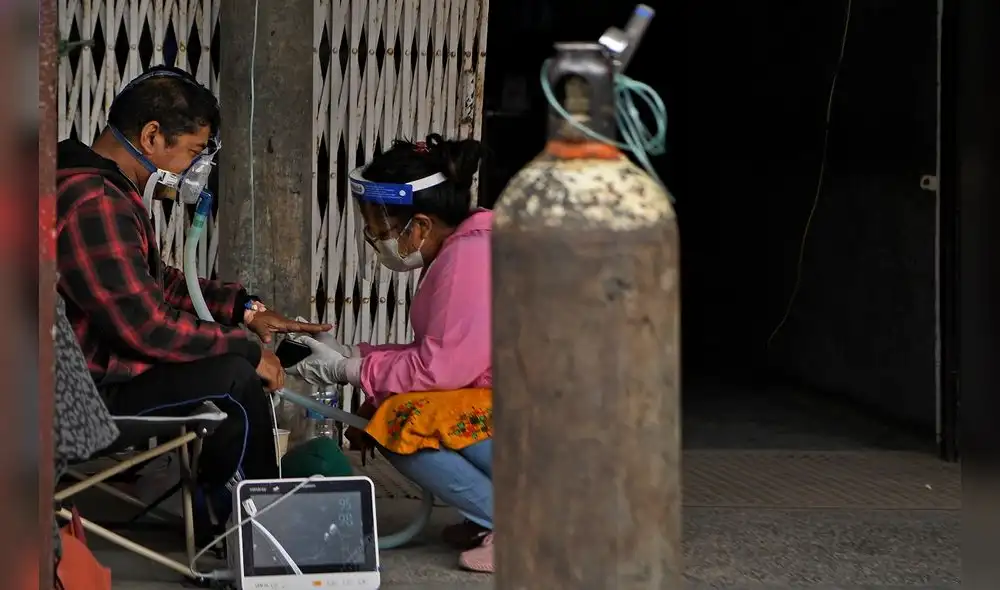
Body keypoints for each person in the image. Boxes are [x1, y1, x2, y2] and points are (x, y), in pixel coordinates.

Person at [55, 66, 331, 523]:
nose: (193, 169)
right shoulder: (95, 200)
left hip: (84, 382)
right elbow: (145, 327)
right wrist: (245, 349)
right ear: (151, 136)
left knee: (228, 367)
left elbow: (155, 282)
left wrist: (244, 309)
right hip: (78, 399)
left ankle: (220, 513)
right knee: (234, 379)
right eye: (193, 151)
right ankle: (261, 530)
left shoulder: (104, 189)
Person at [289, 133, 495, 573]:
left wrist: (350, 370)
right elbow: (443, 351)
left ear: (419, 225)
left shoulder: (470, 258)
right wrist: (353, 353)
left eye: (380, 229)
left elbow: (440, 369)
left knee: (401, 423)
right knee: (393, 411)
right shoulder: (465, 246)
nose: (374, 239)